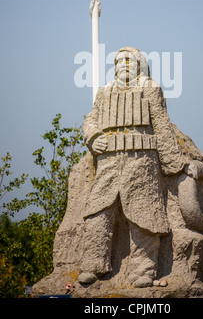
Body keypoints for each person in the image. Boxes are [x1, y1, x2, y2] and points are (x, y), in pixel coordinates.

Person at [78, 46, 196, 287]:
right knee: (97, 213)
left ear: (140, 64)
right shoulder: (104, 92)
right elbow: (90, 119)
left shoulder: (150, 88)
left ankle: (143, 272)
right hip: (108, 161)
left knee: (145, 217)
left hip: (142, 161)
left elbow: (162, 126)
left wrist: (176, 164)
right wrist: (92, 137)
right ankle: (93, 265)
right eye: (118, 60)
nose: (122, 64)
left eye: (128, 60)